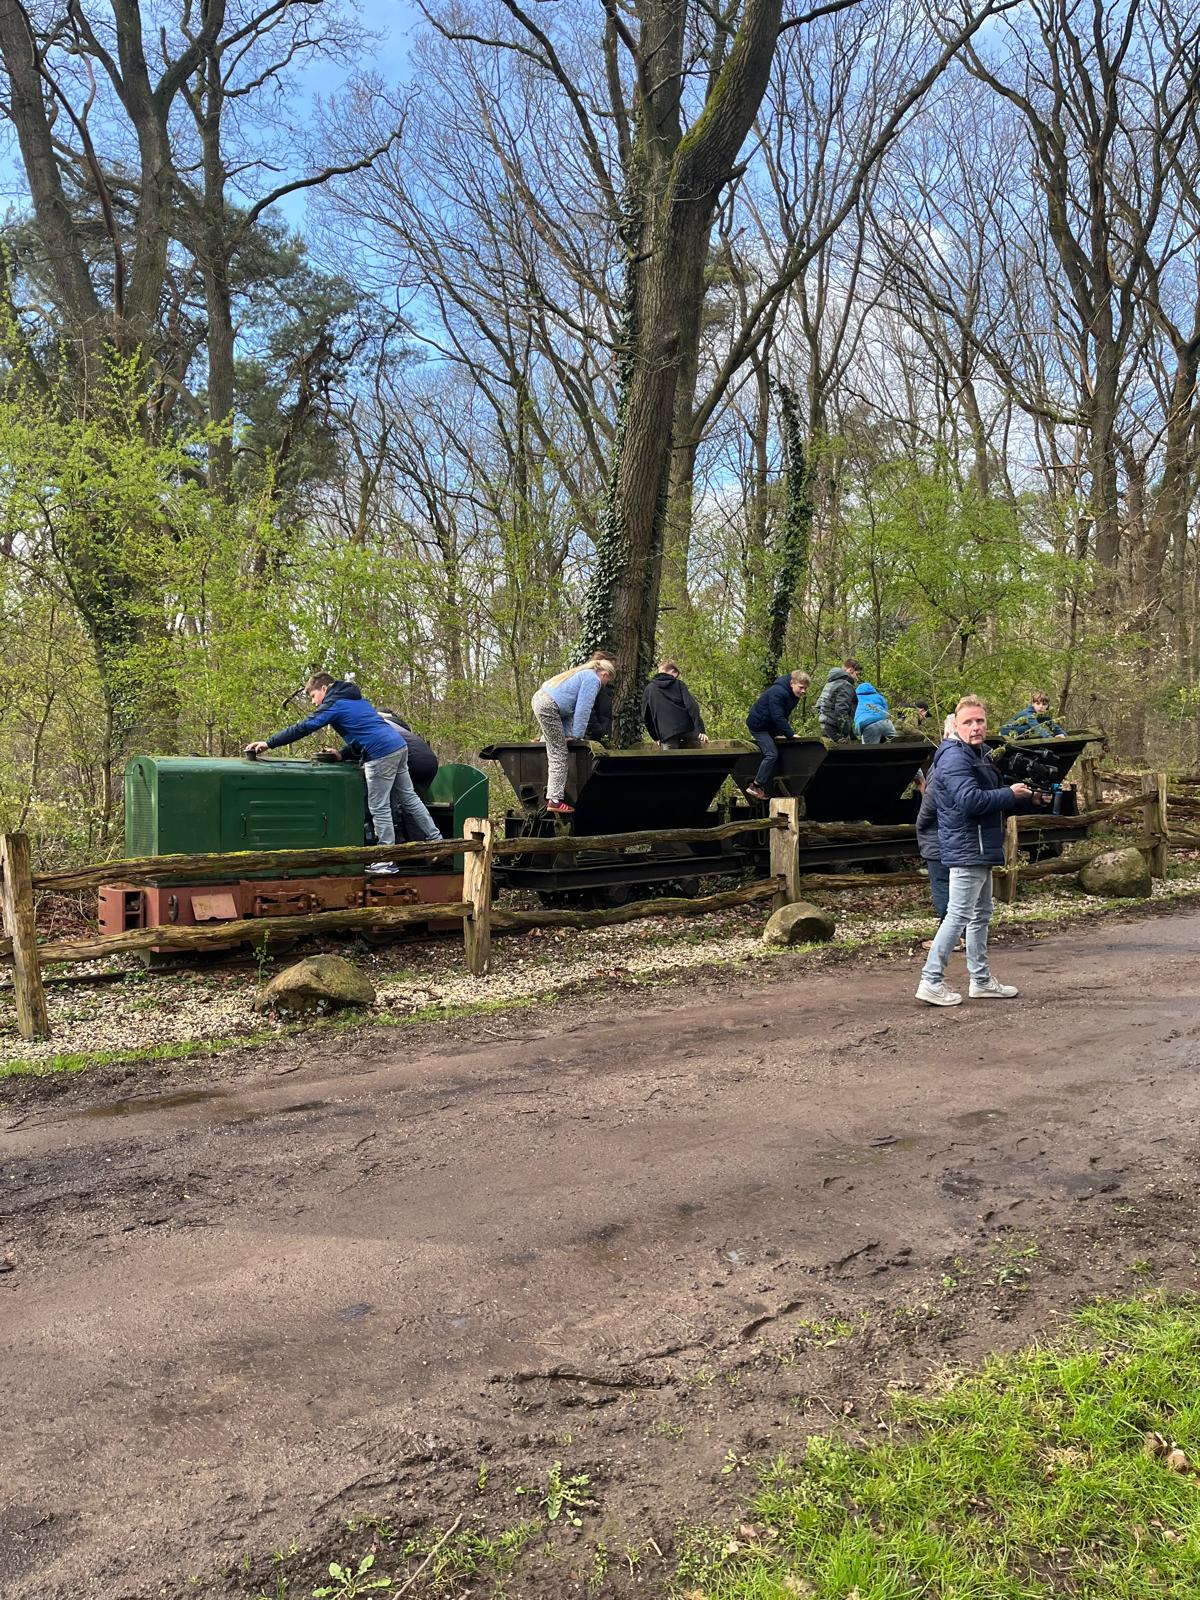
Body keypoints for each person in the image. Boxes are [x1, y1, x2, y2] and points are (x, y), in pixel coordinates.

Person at [245, 673, 441, 870]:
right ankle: (437, 841)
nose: (313, 702)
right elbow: (365, 733)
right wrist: (342, 754)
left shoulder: (334, 704)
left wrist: (269, 743)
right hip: (398, 746)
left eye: (313, 696)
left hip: (380, 754)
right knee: (409, 798)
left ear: (324, 689)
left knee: (379, 807)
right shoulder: (355, 699)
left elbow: (304, 727)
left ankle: (386, 860)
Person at [915, 695, 1034, 1007]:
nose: (975, 727)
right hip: (967, 847)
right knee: (958, 915)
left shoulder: (978, 753)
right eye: (968, 722)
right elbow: (970, 801)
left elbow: (990, 799)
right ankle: (931, 980)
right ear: (956, 726)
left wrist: (1024, 798)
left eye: (980, 720)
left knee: (980, 914)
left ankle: (980, 981)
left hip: (980, 845)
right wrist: (1009, 793)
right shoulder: (955, 757)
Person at [531, 658, 616, 813]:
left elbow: (569, 711)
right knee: (559, 753)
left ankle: (542, 740)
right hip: (549, 705)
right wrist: (577, 735)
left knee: (558, 742)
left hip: (543, 701)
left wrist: (569, 735)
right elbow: (583, 710)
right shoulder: (593, 680)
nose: (605, 685)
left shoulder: (584, 673)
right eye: (607, 681)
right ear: (604, 674)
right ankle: (554, 800)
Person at [745, 670, 810, 800]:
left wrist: (780, 734)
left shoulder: (794, 695)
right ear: (792, 683)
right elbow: (778, 716)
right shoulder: (778, 692)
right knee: (771, 754)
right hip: (759, 726)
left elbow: (784, 715)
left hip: (771, 726)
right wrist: (790, 734)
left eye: (805, 689)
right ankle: (755, 785)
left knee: (780, 748)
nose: (803, 691)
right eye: (801, 687)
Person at [642, 660, 710, 748]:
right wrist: (700, 730)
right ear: (673, 671)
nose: (675, 678)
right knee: (697, 753)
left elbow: (646, 717)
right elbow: (692, 707)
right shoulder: (679, 684)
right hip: (687, 728)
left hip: (666, 733)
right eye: (676, 675)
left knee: (671, 756)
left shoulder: (649, 689)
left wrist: (656, 737)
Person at [815, 659, 861, 740]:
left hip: (825, 725)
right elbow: (841, 711)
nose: (857, 678)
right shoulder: (845, 685)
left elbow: (818, 705)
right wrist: (846, 732)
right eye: (857, 674)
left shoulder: (829, 684)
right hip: (836, 727)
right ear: (851, 670)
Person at [999, 691, 1067, 740]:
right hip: (1007, 732)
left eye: (1044, 704)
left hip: (1020, 732)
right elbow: (1037, 728)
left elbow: (1054, 726)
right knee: (1032, 726)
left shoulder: (1043, 715)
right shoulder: (1028, 713)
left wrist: (1065, 737)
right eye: (1038, 704)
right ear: (1033, 704)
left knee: (1045, 720)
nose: (1041, 707)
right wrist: (1051, 739)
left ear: (1047, 705)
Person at [854, 679, 897, 745]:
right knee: (895, 746)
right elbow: (886, 710)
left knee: (870, 749)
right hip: (886, 724)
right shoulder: (879, 696)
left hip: (869, 726)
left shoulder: (855, 698)